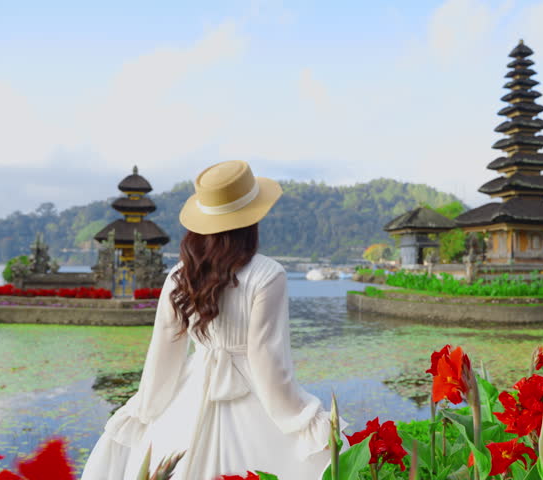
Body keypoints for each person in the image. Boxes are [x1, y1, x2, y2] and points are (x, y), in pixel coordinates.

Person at [81, 160, 345, 480]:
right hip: (252, 393)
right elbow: (265, 357)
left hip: (189, 390)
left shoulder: (180, 275)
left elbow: (164, 352)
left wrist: (147, 408)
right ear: (252, 220)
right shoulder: (268, 274)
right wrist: (299, 415)